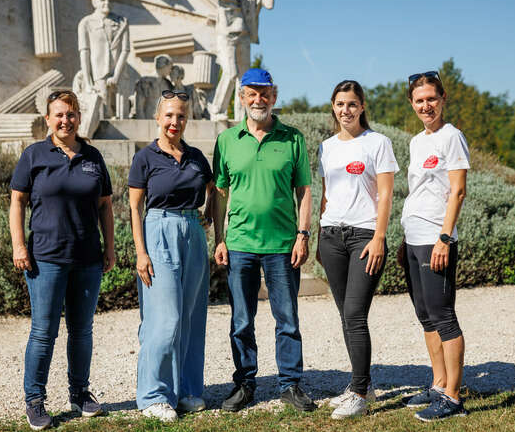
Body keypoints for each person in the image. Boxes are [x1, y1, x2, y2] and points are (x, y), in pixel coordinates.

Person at [9, 90, 115, 430]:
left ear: (79, 117)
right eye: (58, 115)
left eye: (70, 114)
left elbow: (105, 206)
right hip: (45, 259)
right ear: (48, 119)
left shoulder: (93, 157)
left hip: (87, 257)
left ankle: (80, 393)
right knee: (44, 332)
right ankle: (35, 400)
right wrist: (19, 246)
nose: (65, 120)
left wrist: (110, 248)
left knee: (82, 331)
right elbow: (17, 203)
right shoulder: (34, 155)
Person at [212, 68, 315, 412]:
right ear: (241, 97)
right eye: (251, 93)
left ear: (274, 96)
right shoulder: (227, 140)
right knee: (241, 319)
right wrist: (220, 238)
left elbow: (304, 191)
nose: (259, 99)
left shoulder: (293, 138)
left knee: (287, 319)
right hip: (240, 244)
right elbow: (220, 194)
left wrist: (303, 234)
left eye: (265, 93)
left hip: (283, 245)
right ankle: (245, 384)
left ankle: (290, 385)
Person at [128, 90, 215, 422]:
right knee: (165, 320)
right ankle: (153, 395)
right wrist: (140, 252)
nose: (174, 121)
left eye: (180, 115)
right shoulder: (145, 158)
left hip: (192, 231)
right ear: (157, 117)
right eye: (169, 115)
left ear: (186, 119)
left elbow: (213, 190)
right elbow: (135, 207)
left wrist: (207, 218)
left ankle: (187, 391)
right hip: (158, 231)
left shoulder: (195, 156)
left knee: (191, 317)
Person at [316, 80, 399, 419]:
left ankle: (361, 393)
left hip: (365, 236)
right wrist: (319, 236)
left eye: (351, 104)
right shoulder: (326, 147)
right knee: (345, 316)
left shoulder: (378, 143)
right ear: (333, 107)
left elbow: (386, 195)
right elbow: (325, 194)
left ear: (362, 106)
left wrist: (380, 237)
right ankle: (357, 384)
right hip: (331, 235)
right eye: (339, 104)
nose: (345, 110)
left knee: (354, 314)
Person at [400, 71, 470, 421]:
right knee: (425, 316)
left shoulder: (451, 136)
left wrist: (445, 236)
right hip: (414, 238)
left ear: (442, 99)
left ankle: (454, 399)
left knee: (443, 316)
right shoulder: (416, 142)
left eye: (431, 98)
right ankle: (439, 384)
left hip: (435, 239)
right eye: (419, 100)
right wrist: (404, 237)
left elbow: (457, 190)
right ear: (412, 104)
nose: (426, 105)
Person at [209, 0, 274, 120]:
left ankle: (241, 116)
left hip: (244, 34)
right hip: (226, 34)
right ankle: (216, 110)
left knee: (244, 79)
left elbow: (269, 4)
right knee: (230, 73)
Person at [78, 0, 130, 119]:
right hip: (98, 73)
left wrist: (116, 75)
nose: (107, 2)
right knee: (104, 112)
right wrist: (88, 82)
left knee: (120, 112)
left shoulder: (122, 22)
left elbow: (125, 50)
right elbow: (84, 53)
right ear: (94, 1)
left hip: (119, 73)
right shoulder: (86, 23)